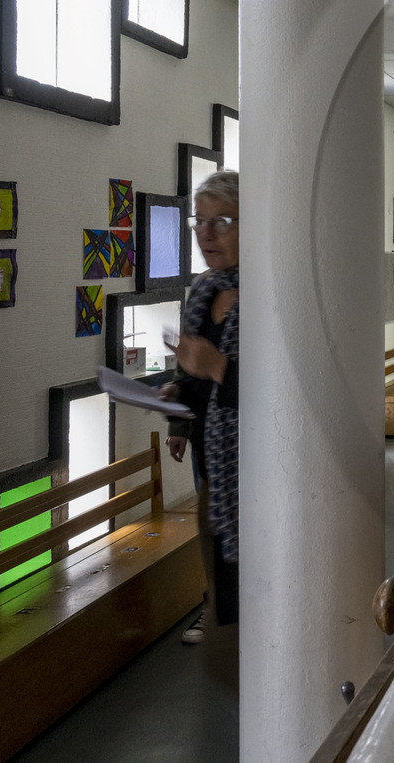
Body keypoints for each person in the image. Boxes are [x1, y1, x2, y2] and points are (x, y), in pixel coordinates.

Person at [160, 170, 241, 643]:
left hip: (253, 463)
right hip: (210, 455)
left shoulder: (270, 294)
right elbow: (188, 373)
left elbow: (285, 395)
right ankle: (220, 611)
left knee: (247, 547)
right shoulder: (202, 292)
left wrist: (218, 368)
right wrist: (177, 409)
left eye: (223, 220)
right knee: (215, 538)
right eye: (200, 221)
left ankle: (238, 632)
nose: (206, 233)